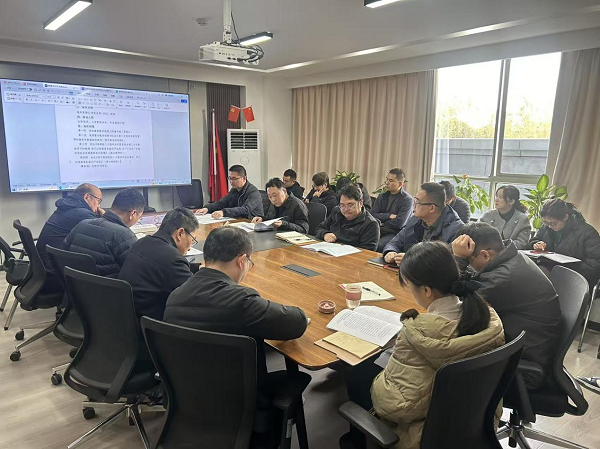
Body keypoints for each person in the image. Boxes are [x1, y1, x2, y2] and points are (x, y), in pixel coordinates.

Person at [342, 241, 504, 449]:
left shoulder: (419, 332)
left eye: (409, 287)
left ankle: (358, 441)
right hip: (476, 423)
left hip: (425, 436)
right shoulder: (487, 317)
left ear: (426, 290)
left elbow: (394, 407)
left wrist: (381, 381)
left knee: (358, 374)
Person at [163, 226, 308, 390]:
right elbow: (297, 322)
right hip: (240, 396)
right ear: (241, 260)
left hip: (187, 391)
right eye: (249, 263)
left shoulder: (175, 296)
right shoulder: (242, 301)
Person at [452, 222, 561, 389]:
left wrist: (458, 261)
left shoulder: (502, 278)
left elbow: (458, 307)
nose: (469, 265)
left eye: (469, 260)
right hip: (522, 348)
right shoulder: (510, 258)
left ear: (485, 255)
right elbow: (472, 284)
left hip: (522, 366)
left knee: (442, 363)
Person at [118, 207, 197, 323]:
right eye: (193, 239)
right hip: (151, 325)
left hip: (126, 318)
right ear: (180, 233)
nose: (190, 247)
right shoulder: (173, 259)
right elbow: (195, 296)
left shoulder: (141, 242)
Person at [64, 188, 144, 277]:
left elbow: (64, 252)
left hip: (77, 283)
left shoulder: (82, 224)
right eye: (139, 217)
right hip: (110, 285)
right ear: (133, 214)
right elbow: (138, 271)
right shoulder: (124, 235)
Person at [383, 182, 463, 265]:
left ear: (432, 208)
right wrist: (390, 252)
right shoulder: (414, 219)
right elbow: (394, 242)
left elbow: (446, 264)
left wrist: (412, 260)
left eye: (417, 202)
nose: (413, 205)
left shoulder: (456, 230)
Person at [530, 199, 600, 287]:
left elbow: (595, 262)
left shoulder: (587, 232)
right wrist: (537, 244)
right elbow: (536, 239)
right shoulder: (546, 228)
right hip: (550, 272)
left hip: (576, 279)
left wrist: (568, 273)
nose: (550, 226)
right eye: (546, 222)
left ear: (565, 217)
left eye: (553, 223)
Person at [36, 183, 104, 271]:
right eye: (98, 201)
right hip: (55, 268)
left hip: (45, 263)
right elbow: (106, 232)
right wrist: (104, 216)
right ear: (87, 197)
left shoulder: (68, 207)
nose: (99, 206)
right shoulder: (82, 213)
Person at [315, 184, 380, 251]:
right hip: (329, 252)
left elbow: (367, 253)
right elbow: (319, 228)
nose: (345, 209)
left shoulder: (370, 224)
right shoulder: (336, 211)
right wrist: (325, 234)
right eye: (342, 205)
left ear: (360, 203)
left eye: (350, 205)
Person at [196, 165, 263, 219]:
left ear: (244, 178)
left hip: (251, 222)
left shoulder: (253, 192)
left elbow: (245, 210)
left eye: (234, 179)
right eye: (230, 178)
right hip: (237, 220)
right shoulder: (234, 190)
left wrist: (223, 212)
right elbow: (222, 203)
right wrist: (207, 208)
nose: (231, 181)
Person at [371, 169, 414, 251]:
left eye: (390, 181)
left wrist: (382, 222)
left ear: (400, 184)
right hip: (378, 229)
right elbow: (373, 214)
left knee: (378, 246)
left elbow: (400, 223)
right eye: (387, 179)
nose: (387, 183)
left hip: (394, 232)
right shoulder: (382, 196)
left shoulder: (407, 199)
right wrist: (388, 216)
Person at [480, 185, 531, 249]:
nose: (496, 199)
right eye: (496, 196)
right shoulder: (488, 215)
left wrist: (500, 245)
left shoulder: (522, 219)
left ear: (511, 201)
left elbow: (522, 244)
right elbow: (477, 233)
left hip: (511, 254)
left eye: (501, 197)